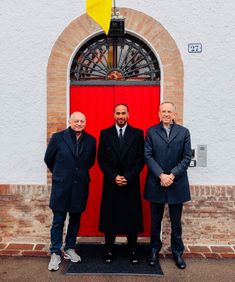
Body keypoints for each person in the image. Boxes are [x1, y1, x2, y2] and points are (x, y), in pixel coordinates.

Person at [44, 111, 96, 271]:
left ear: (85, 122)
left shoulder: (91, 140)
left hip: (80, 186)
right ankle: (55, 252)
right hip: (62, 186)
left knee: (75, 219)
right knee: (58, 220)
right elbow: (48, 158)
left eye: (82, 121)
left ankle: (70, 248)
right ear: (70, 121)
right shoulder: (58, 138)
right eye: (76, 121)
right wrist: (61, 174)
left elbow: (90, 162)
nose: (79, 123)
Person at [144, 101, 192, 270]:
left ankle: (178, 252)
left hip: (176, 182)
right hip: (156, 182)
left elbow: (187, 157)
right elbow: (148, 156)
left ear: (174, 114)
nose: (166, 114)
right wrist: (161, 175)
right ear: (159, 113)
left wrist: (171, 175)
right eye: (163, 111)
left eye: (169, 111)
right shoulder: (151, 132)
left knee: (176, 223)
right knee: (155, 221)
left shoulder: (184, 132)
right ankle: (154, 250)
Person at [98, 104, 144, 265]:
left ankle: (132, 249)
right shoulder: (104, 134)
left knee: (132, 217)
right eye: (118, 113)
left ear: (128, 115)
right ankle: (109, 249)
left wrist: (128, 176)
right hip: (111, 183)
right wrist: (114, 177)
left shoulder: (138, 134)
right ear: (113, 115)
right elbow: (101, 160)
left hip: (130, 182)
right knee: (111, 217)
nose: (121, 116)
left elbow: (140, 159)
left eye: (123, 113)